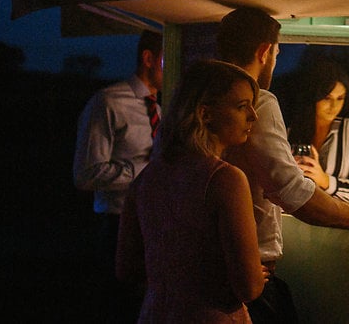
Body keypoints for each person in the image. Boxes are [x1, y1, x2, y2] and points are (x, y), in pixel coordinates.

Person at [216, 8, 349, 324]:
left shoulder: (197, 101)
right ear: (264, 52)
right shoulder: (259, 101)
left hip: (210, 273)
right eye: (276, 52)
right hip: (247, 275)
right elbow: (292, 191)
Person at [116, 59, 270, 322]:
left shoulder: (146, 178)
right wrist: (256, 272)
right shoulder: (225, 180)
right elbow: (249, 287)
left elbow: (126, 269)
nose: (253, 116)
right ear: (205, 113)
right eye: (242, 106)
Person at [73, 29, 163, 321]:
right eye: (168, 58)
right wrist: (144, 169)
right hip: (118, 224)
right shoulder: (108, 102)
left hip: (156, 225)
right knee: (122, 307)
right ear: (148, 58)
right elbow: (85, 174)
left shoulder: (164, 106)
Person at [288, 60, 349, 208]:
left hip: (338, 225)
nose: (334, 106)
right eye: (327, 98)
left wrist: (325, 181)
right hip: (299, 220)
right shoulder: (292, 132)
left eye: (340, 98)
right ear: (313, 96)